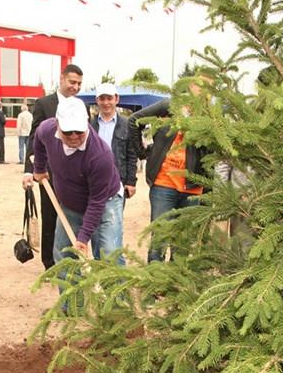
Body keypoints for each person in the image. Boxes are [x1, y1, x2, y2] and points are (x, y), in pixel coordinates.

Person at [23, 96, 122, 268]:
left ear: (86, 123)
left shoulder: (100, 156)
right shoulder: (47, 129)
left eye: (79, 131)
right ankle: (71, 296)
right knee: (64, 257)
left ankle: (116, 295)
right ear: (58, 124)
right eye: (68, 132)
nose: (74, 136)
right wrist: (39, 168)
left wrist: (83, 239)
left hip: (106, 202)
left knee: (109, 255)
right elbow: (37, 139)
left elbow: (97, 201)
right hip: (70, 205)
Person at [129, 90, 210, 263]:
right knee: (160, 237)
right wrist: (143, 153)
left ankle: (175, 285)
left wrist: (209, 189)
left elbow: (212, 156)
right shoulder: (168, 106)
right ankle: (154, 283)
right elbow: (134, 121)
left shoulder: (208, 118)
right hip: (164, 184)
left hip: (193, 188)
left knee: (182, 242)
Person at [24, 64, 88, 269]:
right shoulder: (44, 104)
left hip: (75, 174)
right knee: (50, 216)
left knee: (73, 215)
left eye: (79, 83)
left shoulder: (81, 106)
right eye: (72, 82)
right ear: (61, 79)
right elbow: (34, 138)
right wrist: (30, 170)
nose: (75, 87)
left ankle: (70, 258)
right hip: (49, 173)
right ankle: (49, 262)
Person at [89, 83, 137, 263]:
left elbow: (131, 155)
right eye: (102, 98)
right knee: (93, 230)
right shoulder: (89, 126)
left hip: (117, 186)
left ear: (116, 99)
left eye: (109, 98)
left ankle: (117, 275)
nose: (106, 102)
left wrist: (131, 181)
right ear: (97, 101)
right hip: (93, 186)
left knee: (112, 232)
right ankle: (99, 266)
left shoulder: (127, 125)